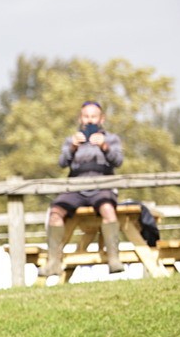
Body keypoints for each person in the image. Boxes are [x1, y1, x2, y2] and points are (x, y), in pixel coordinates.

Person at [43, 101, 125, 278]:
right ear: (81, 118)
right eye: (86, 117)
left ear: (101, 119)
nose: (89, 120)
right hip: (75, 187)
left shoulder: (111, 139)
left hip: (102, 186)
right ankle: (53, 262)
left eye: (93, 117)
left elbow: (118, 161)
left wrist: (104, 147)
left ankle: (113, 258)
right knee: (55, 212)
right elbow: (61, 163)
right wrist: (72, 148)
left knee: (108, 210)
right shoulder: (71, 140)